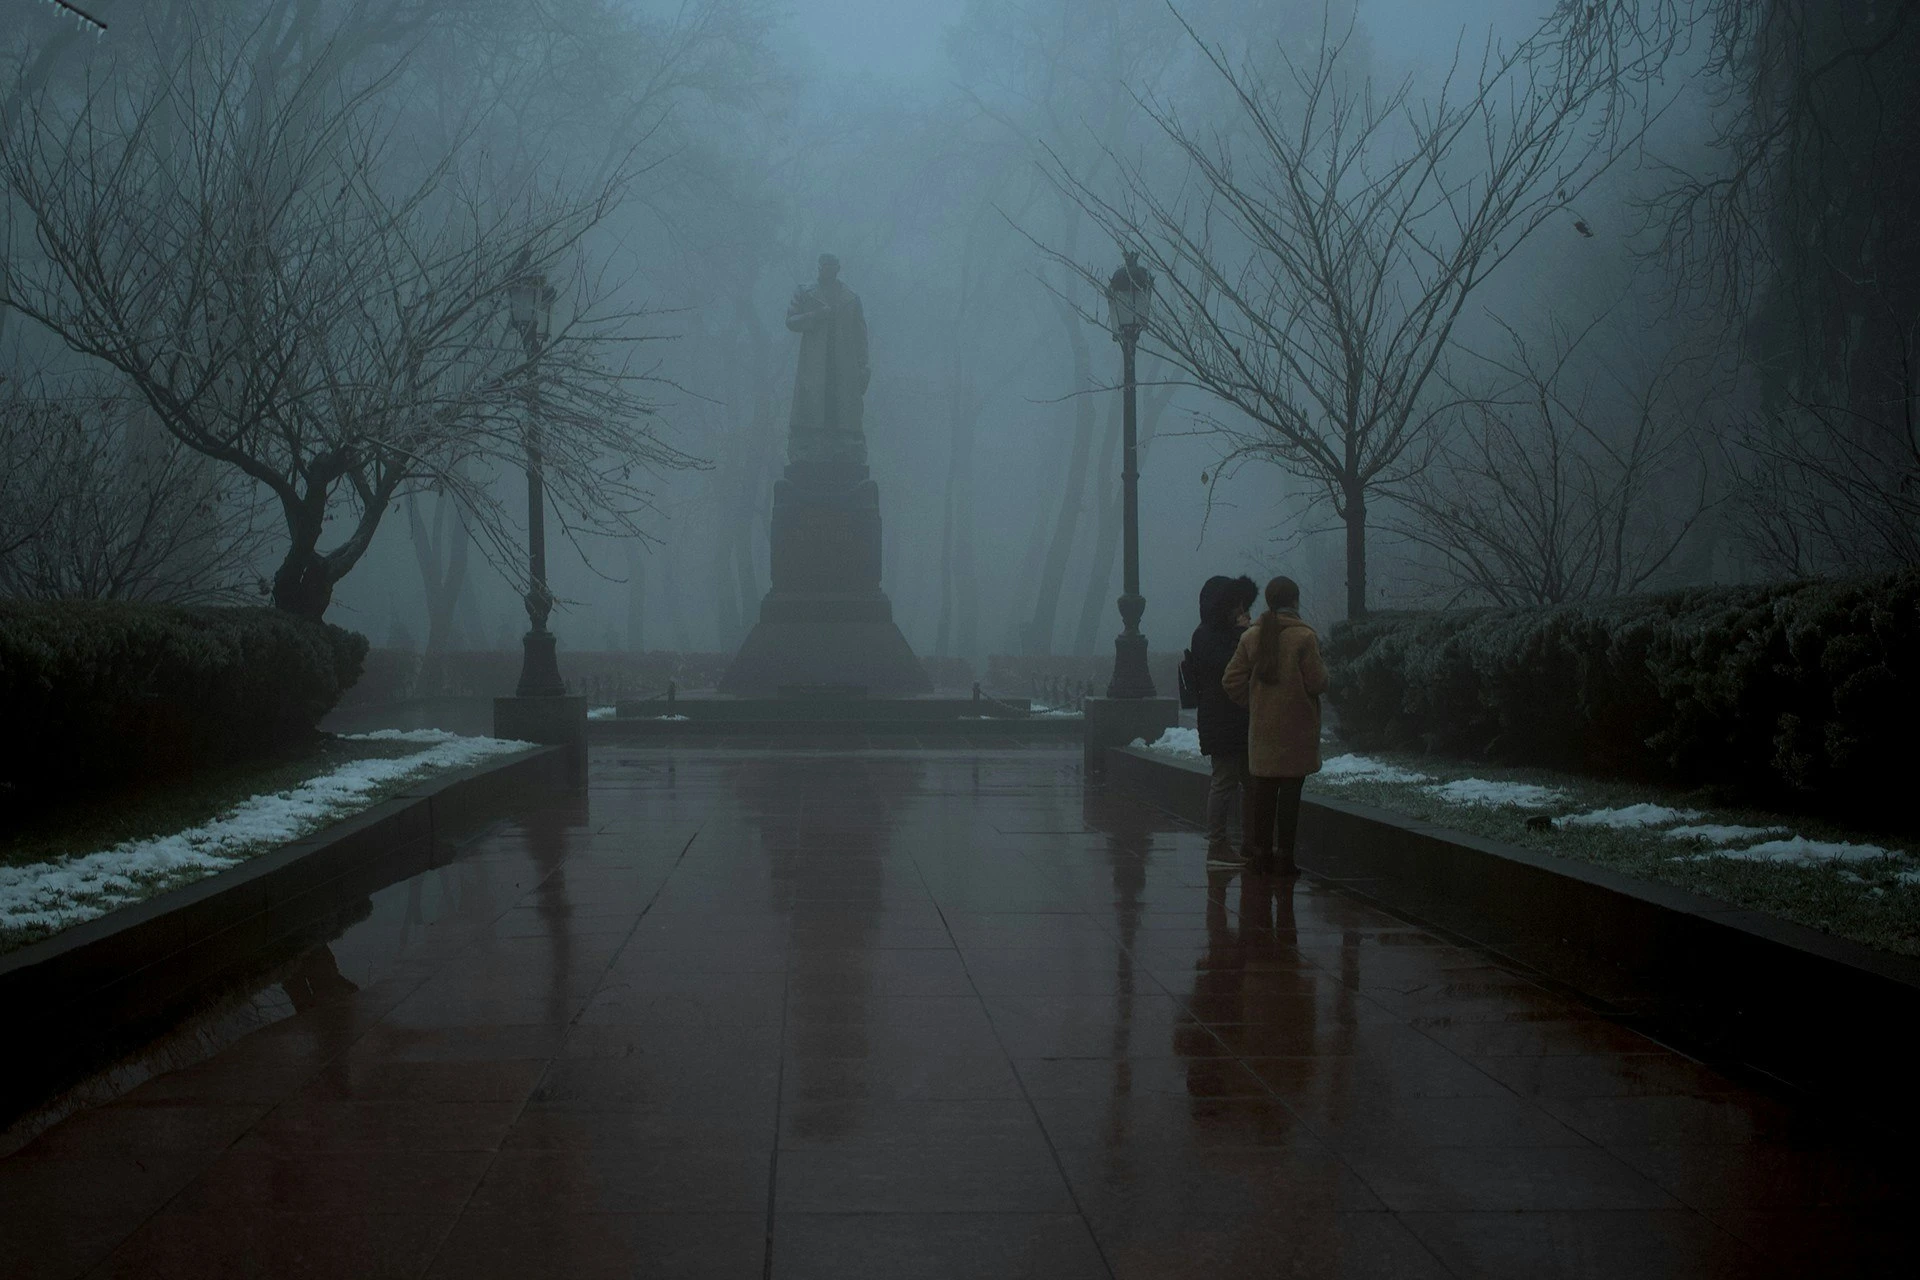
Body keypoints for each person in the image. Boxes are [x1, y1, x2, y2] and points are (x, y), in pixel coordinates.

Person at [1222, 576, 1327, 875]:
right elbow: (1318, 682)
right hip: (1298, 731)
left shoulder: (1251, 636)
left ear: (1268, 602)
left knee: (1263, 796)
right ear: (1294, 601)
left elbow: (1231, 680)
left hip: (1264, 732)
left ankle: (1261, 855)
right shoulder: (1304, 638)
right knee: (1290, 797)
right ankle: (1285, 858)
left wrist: (1255, 703)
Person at [1189, 575, 1258, 869]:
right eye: (1235, 605)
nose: (1241, 610)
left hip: (1239, 717)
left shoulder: (1219, 633)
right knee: (1224, 781)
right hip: (1221, 719)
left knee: (1251, 780)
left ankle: (1251, 842)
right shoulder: (1207, 635)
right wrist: (1242, 634)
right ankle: (1217, 844)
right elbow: (1229, 666)